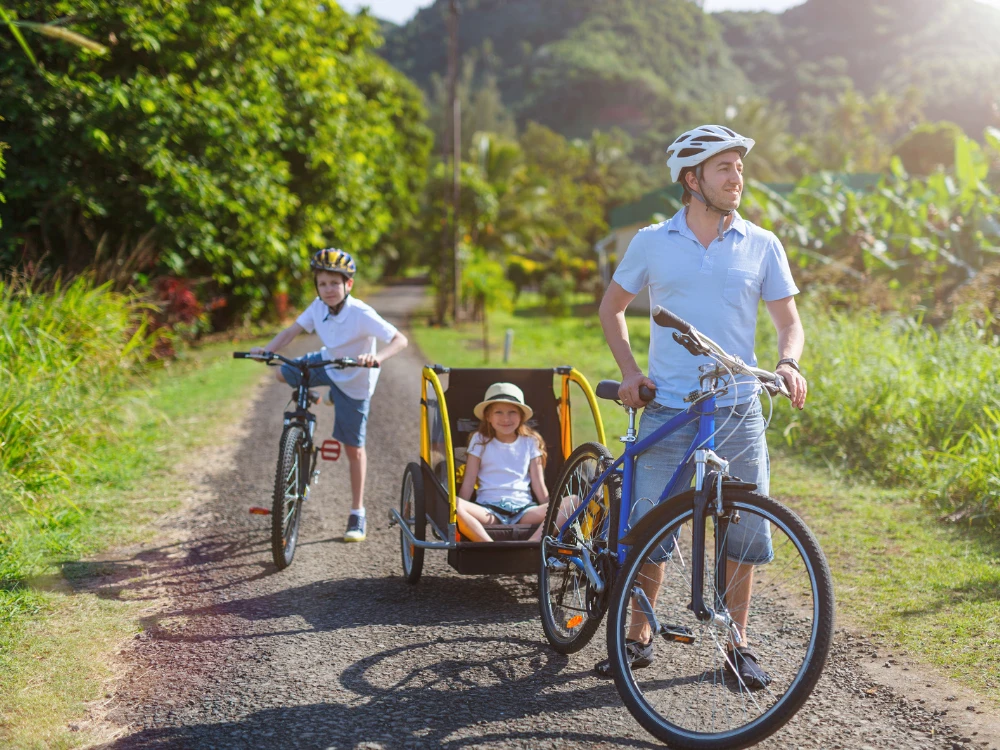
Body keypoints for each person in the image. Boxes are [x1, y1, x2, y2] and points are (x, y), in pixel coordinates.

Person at [596, 124, 808, 687]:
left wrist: (787, 363)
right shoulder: (650, 241)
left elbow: (789, 322)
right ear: (692, 180)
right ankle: (639, 629)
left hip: (739, 408)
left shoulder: (763, 243)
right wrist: (630, 373)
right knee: (647, 529)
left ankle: (737, 644)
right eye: (724, 168)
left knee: (745, 532)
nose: (737, 177)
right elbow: (611, 308)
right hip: (668, 406)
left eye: (739, 167)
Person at [252, 248, 408, 543]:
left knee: (353, 449)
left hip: (355, 381)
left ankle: (357, 512)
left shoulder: (361, 313)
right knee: (282, 372)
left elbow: (400, 339)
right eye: (322, 284)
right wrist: (268, 350)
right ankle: (311, 394)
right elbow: (290, 332)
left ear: (348, 285)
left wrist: (377, 358)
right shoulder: (317, 307)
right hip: (327, 363)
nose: (328, 290)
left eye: (335, 283)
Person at [456, 382, 550, 543]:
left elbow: (539, 485)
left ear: (520, 415)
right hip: (489, 510)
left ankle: (534, 544)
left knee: (573, 502)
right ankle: (487, 545)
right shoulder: (480, 440)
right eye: (498, 412)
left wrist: (552, 510)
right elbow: (469, 482)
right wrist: (460, 508)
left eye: (512, 412)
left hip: (524, 510)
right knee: (453, 504)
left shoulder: (530, 441)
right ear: (488, 417)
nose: (506, 418)